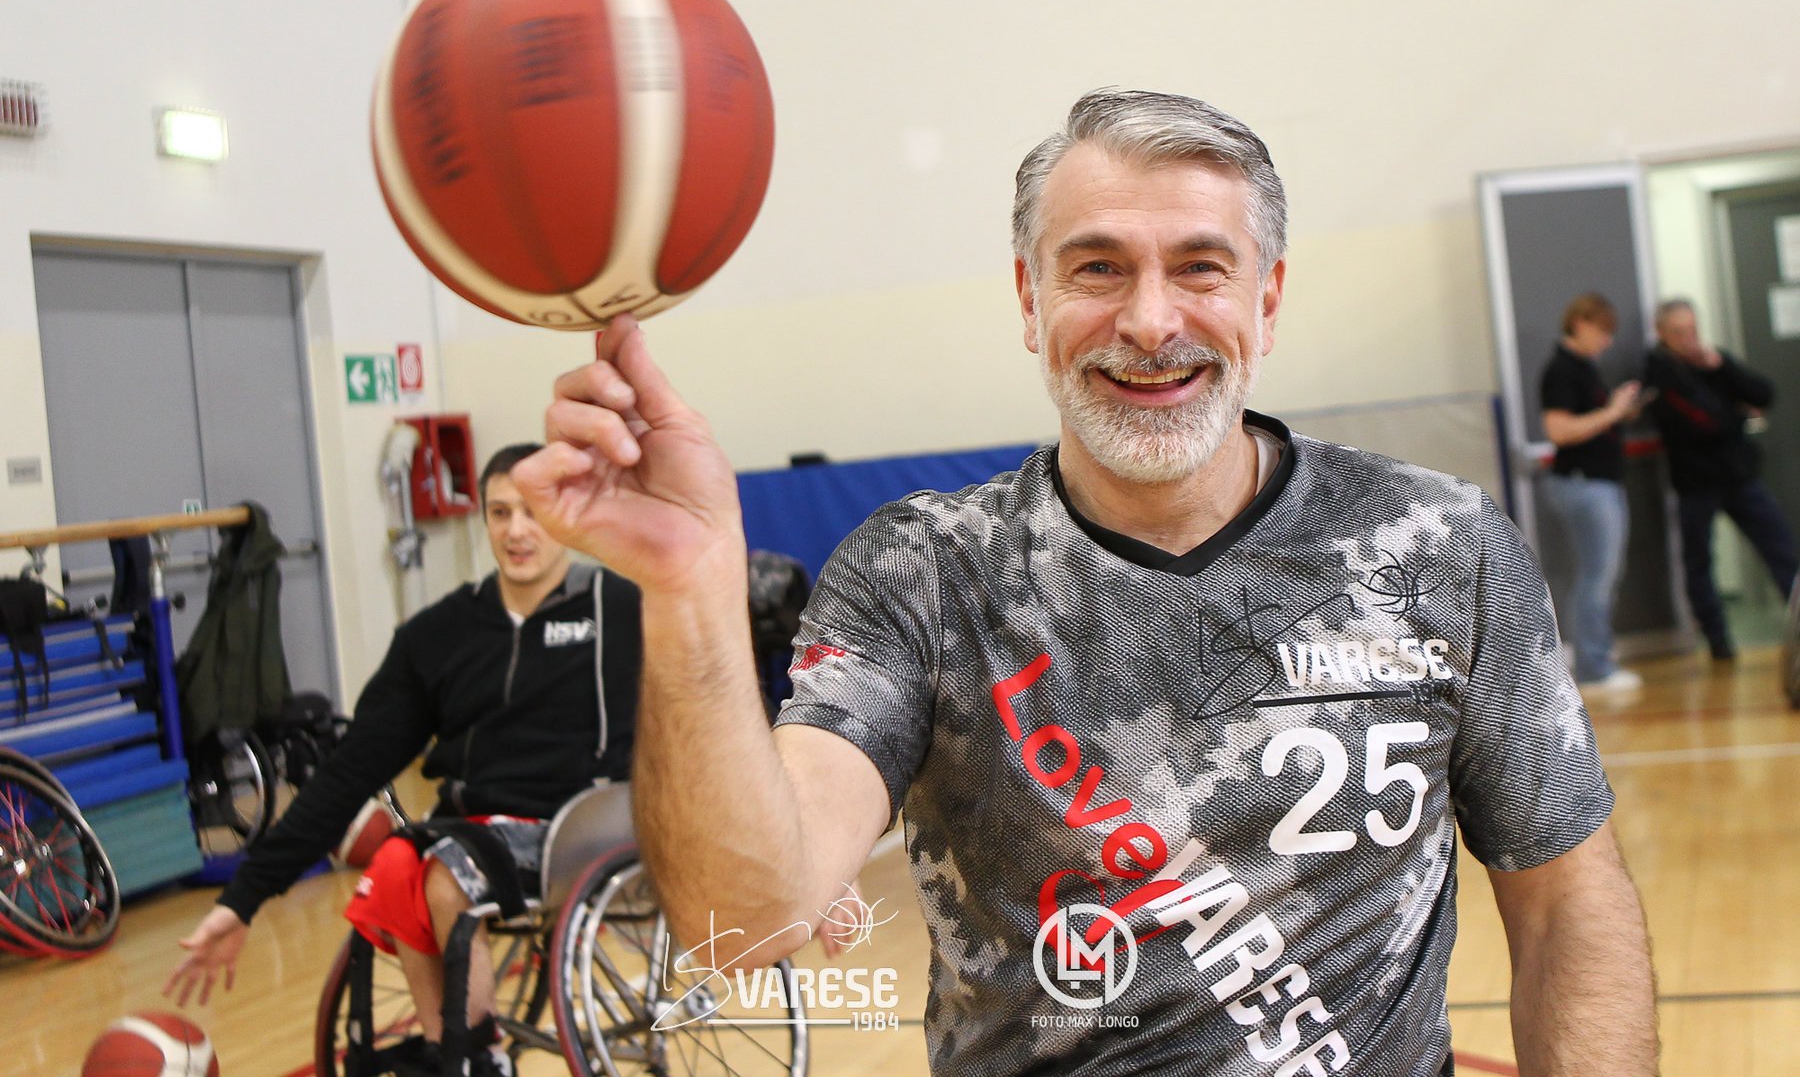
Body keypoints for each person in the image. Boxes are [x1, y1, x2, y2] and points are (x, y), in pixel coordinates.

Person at [515, 89, 1658, 1075]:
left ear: (1267, 298)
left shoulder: (1441, 545)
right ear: (1030, 300)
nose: (1150, 322)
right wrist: (691, 588)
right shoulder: (923, 574)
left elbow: (1566, 903)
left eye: (1200, 267)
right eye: (1097, 268)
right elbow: (745, 920)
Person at [165, 443, 642, 1077]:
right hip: (475, 831)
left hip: (585, 825)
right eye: (500, 512)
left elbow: (704, 705)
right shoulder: (438, 635)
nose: (516, 531)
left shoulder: (620, 609)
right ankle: (458, 1050)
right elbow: (349, 772)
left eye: (534, 512)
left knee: (445, 874)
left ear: (567, 515)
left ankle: (477, 1057)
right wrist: (243, 899)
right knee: (395, 862)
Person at [1645, 298, 1798, 660]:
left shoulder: (1713, 362)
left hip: (1739, 477)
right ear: (1662, 334)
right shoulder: (1659, 373)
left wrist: (1722, 367)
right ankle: (1718, 642)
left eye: (1692, 329)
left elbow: (1764, 394)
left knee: (1782, 550)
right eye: (1679, 332)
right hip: (1696, 484)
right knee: (1699, 563)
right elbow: (1703, 422)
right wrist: (1740, 415)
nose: (1688, 339)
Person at [1538, 293, 1645, 695]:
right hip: (1584, 483)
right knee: (1596, 576)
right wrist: (1613, 413)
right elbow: (1559, 431)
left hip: (1599, 481)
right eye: (1603, 331)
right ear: (1581, 324)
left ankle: (1596, 658)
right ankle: (1593, 667)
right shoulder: (1561, 371)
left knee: (1601, 574)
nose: (1607, 341)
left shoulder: (1583, 369)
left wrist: (1618, 412)